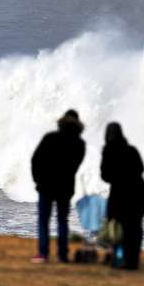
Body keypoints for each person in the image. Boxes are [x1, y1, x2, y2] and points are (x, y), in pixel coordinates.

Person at [30, 109, 86, 263]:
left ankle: (43, 254)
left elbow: (36, 160)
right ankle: (62, 255)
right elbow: (75, 165)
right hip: (65, 187)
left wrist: (37, 179)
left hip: (46, 185)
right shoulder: (80, 144)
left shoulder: (50, 137)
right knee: (62, 220)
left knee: (43, 220)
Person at [100, 122, 144, 270]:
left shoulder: (108, 150)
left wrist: (118, 176)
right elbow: (141, 169)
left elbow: (105, 175)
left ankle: (118, 259)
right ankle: (133, 261)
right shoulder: (131, 150)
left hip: (119, 195)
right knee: (134, 230)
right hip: (137, 193)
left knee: (117, 230)